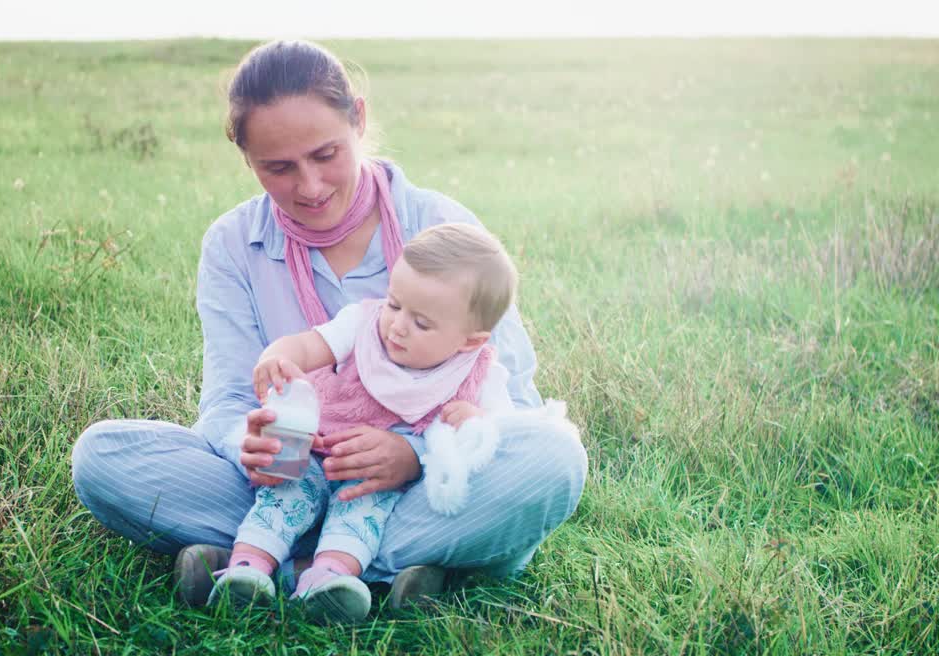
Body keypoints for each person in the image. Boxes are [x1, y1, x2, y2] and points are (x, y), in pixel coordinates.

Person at [71, 38, 586, 612]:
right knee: (101, 457)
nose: (310, 187)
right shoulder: (231, 246)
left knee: (553, 457)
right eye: (279, 167)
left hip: (418, 484)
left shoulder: (441, 225)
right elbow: (226, 402)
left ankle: (273, 560)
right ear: (246, 158)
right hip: (289, 480)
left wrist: (413, 456)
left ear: (359, 119)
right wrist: (256, 447)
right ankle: (387, 567)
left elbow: (510, 398)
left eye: (325, 154)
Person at [209, 222, 524, 623]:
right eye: (394, 304)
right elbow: (310, 344)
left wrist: (475, 421)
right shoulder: (362, 323)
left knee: (362, 514)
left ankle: (327, 579)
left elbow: (503, 435)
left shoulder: (479, 374)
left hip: (375, 484)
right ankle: (246, 570)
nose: (397, 325)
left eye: (422, 323)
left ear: (470, 340)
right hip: (314, 447)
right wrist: (279, 356)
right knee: (283, 493)